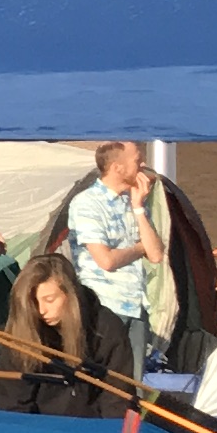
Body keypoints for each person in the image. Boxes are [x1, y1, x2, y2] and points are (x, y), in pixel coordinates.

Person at [0, 249, 132, 417]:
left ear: (70, 294)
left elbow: (117, 396)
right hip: (40, 430)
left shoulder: (106, 327)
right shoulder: (25, 329)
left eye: (49, 300)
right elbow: (13, 400)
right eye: (34, 302)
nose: (41, 310)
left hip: (93, 429)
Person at [63, 142, 160, 352]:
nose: (143, 164)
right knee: (105, 377)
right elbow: (106, 260)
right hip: (104, 306)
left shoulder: (133, 202)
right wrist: (139, 249)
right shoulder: (87, 203)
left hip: (136, 305)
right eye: (137, 161)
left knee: (132, 382)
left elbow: (156, 254)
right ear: (117, 167)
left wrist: (138, 208)